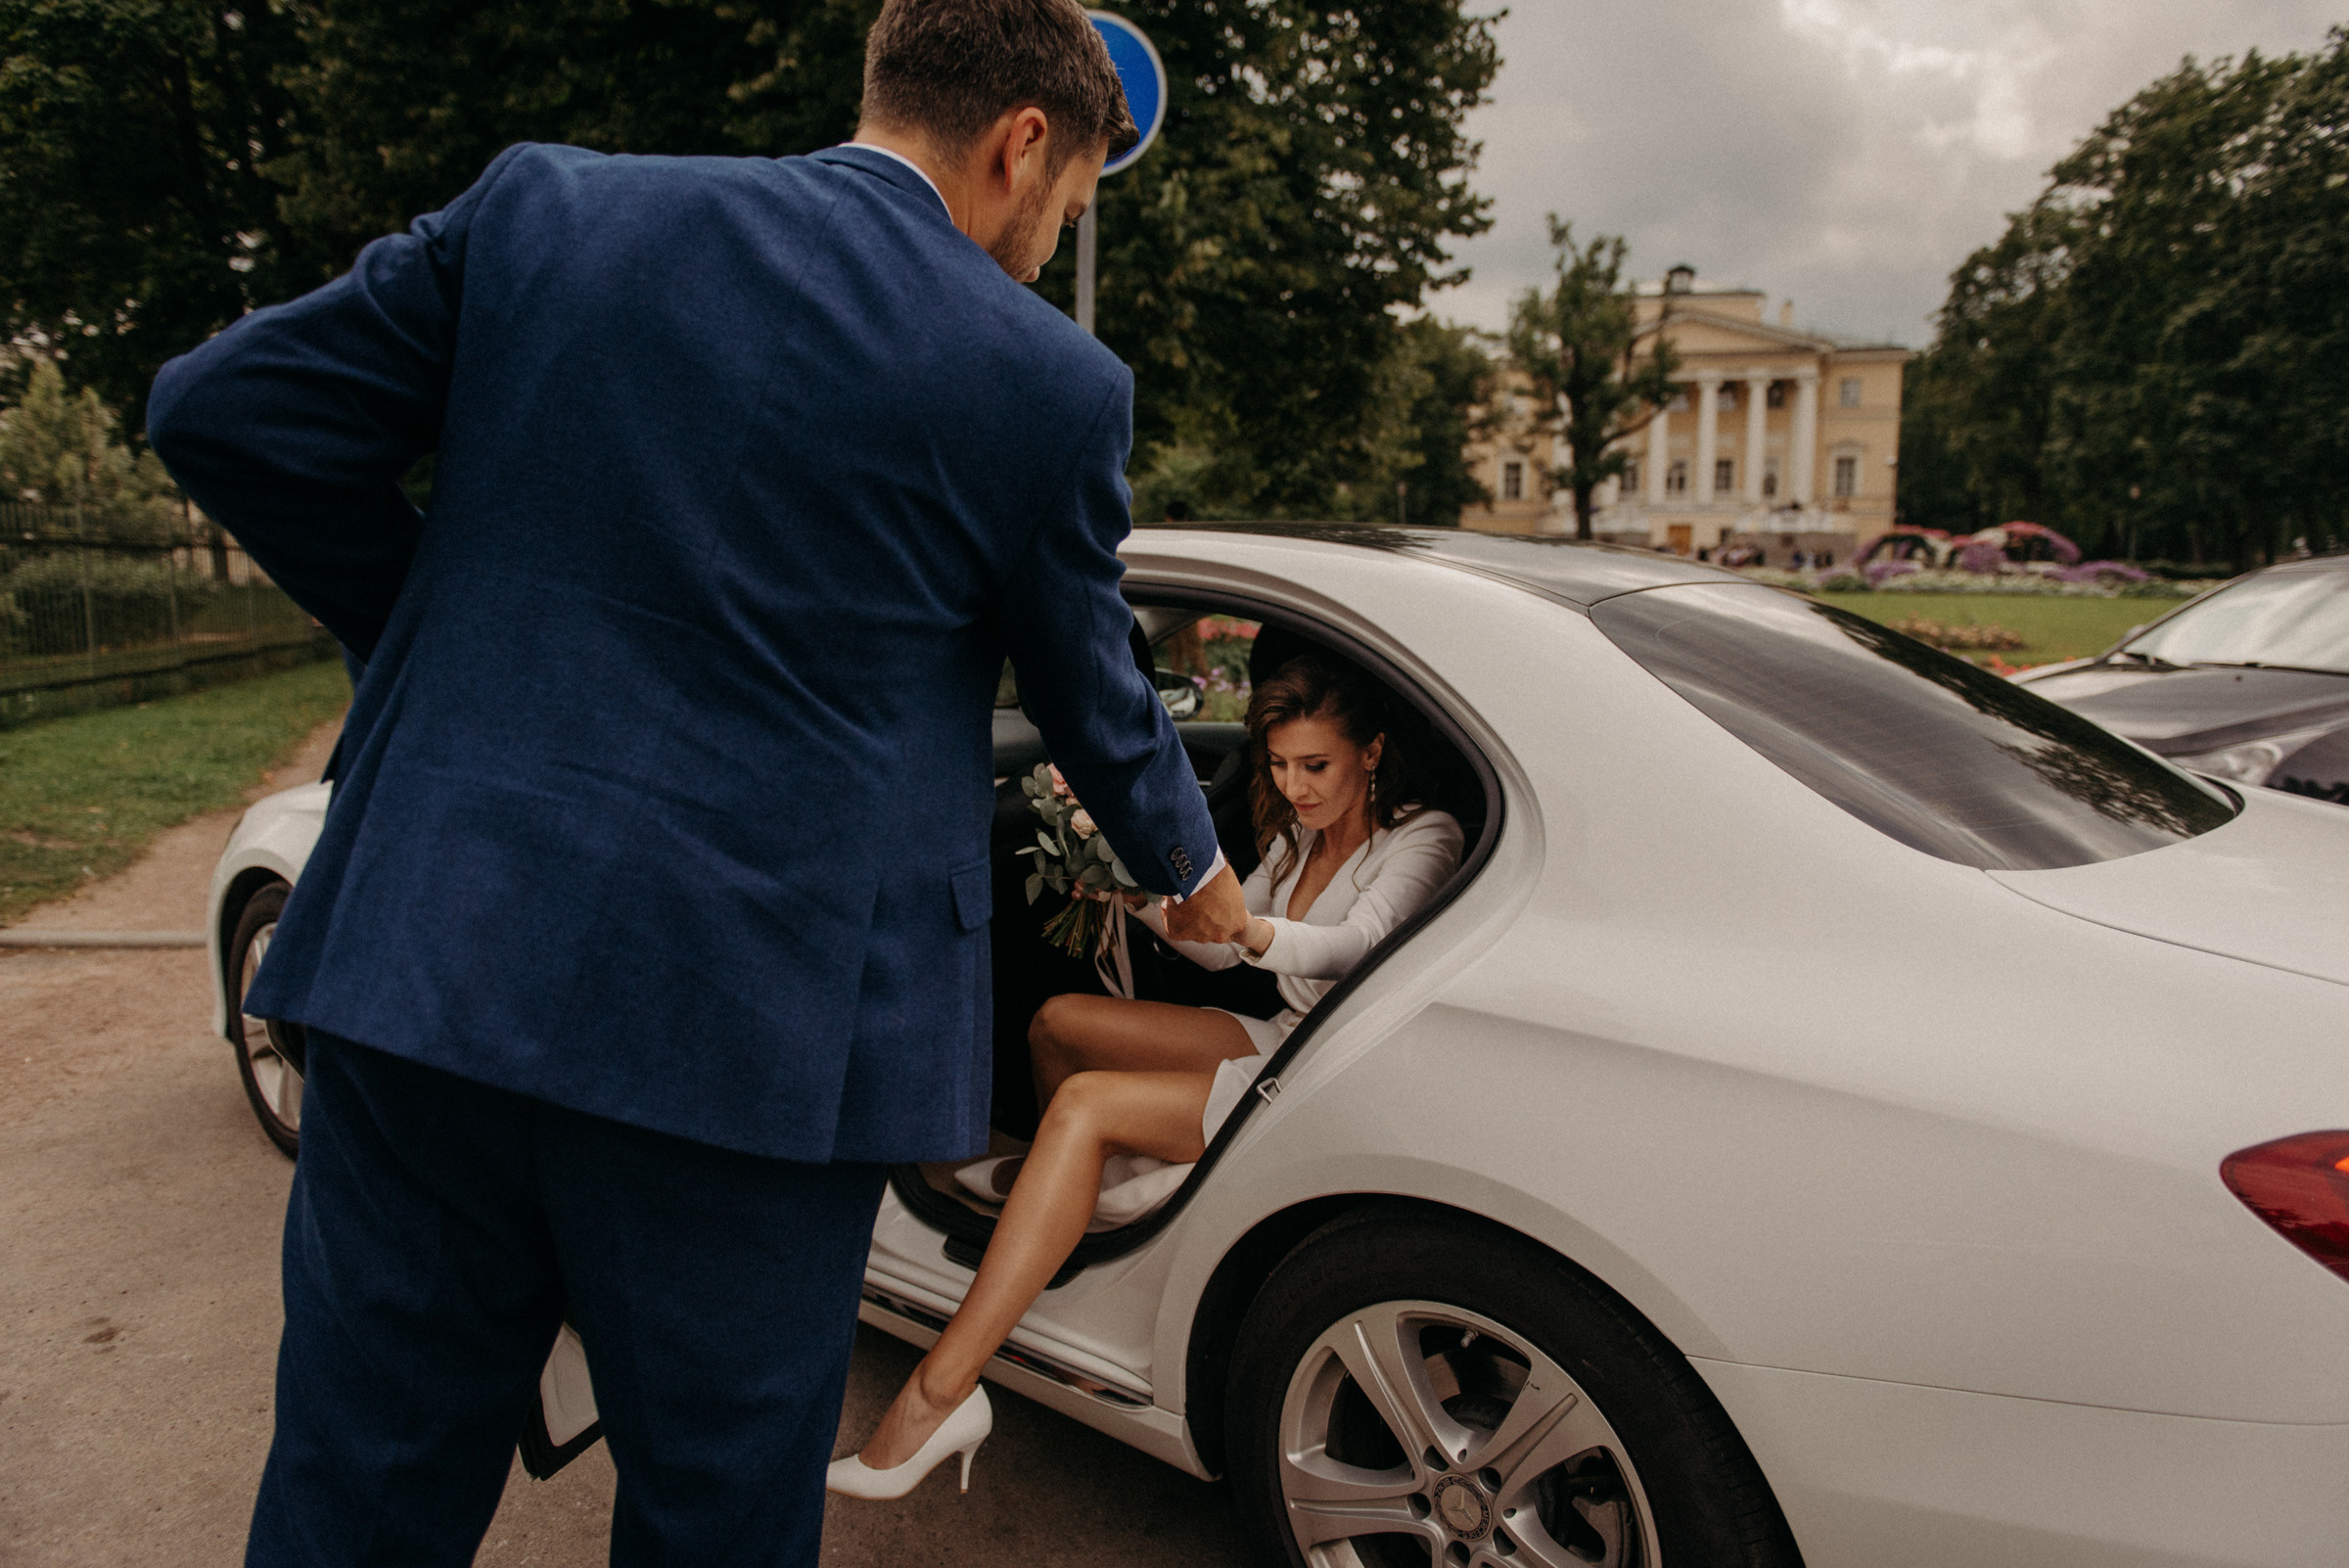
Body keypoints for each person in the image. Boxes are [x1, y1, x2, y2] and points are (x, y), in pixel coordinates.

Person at [142, 1, 1253, 1561]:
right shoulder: (1049, 383)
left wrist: (432, 645)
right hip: (754, 1053)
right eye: (1068, 197)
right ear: (1022, 146)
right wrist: (1201, 881)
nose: (1052, 231)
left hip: (427, 972)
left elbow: (221, 410)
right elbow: (1096, 697)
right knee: (718, 1521)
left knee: (353, 1494)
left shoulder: (551, 207)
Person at [828, 654, 1462, 1497]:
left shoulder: (1426, 834)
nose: (1295, 786)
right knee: (1060, 1021)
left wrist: (1252, 928)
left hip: (1325, 1067)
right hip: (1277, 1031)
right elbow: (1218, 945)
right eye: (1279, 765)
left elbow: (1356, 948)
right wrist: (1130, 892)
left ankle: (937, 1395)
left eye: (1316, 766)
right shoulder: (1301, 833)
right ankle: (1061, 1207)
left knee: (1087, 1104)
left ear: (1372, 753)